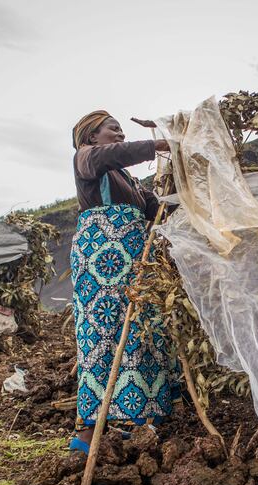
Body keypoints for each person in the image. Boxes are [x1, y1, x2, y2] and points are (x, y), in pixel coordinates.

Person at [68, 110, 179, 453]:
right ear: (90, 137)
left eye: (120, 130)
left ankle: (139, 420)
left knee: (140, 332)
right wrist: (160, 144)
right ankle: (87, 432)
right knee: (101, 336)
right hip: (99, 261)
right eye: (112, 129)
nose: (119, 135)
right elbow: (113, 154)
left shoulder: (129, 182)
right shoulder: (87, 159)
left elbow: (157, 210)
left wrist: (184, 186)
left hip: (133, 264)